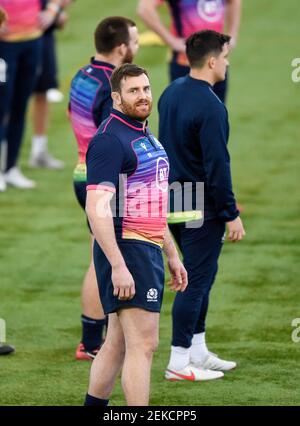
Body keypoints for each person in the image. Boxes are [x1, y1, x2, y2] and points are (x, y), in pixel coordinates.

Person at [84, 63, 188, 406]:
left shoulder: (142, 132)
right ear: (116, 97)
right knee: (144, 345)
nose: (143, 96)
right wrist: (117, 264)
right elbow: (95, 207)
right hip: (129, 250)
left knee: (118, 342)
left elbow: (152, 202)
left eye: (146, 88)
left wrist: (171, 253)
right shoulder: (110, 140)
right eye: (133, 91)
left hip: (147, 248)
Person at [158, 30, 245, 381]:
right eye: (224, 58)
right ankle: (179, 362)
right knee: (195, 280)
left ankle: (197, 349)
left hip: (174, 198)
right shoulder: (212, 105)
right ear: (211, 61)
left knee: (200, 276)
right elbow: (217, 166)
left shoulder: (171, 91)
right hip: (201, 205)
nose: (226, 63)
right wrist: (230, 213)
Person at [69, 17, 139, 360]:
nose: (137, 47)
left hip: (82, 172)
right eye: (135, 42)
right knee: (106, 259)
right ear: (121, 47)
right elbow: (114, 136)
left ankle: (93, 339)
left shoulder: (82, 75)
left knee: (97, 255)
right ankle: (94, 342)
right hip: (103, 179)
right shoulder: (109, 87)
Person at [0, 0, 62, 191]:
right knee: (2, 107)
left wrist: (52, 11)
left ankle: (11, 167)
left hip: (33, 39)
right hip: (4, 43)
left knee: (21, 106)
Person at [137, 0, 242, 102]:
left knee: (218, 115)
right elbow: (145, 9)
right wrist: (172, 41)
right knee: (188, 117)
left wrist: (232, 35)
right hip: (188, 65)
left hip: (217, 63)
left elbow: (234, 2)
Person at [29, 0, 73, 170]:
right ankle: (6, 161)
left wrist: (54, 11)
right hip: (14, 37)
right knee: (9, 99)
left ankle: (39, 151)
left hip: (43, 36)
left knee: (42, 92)